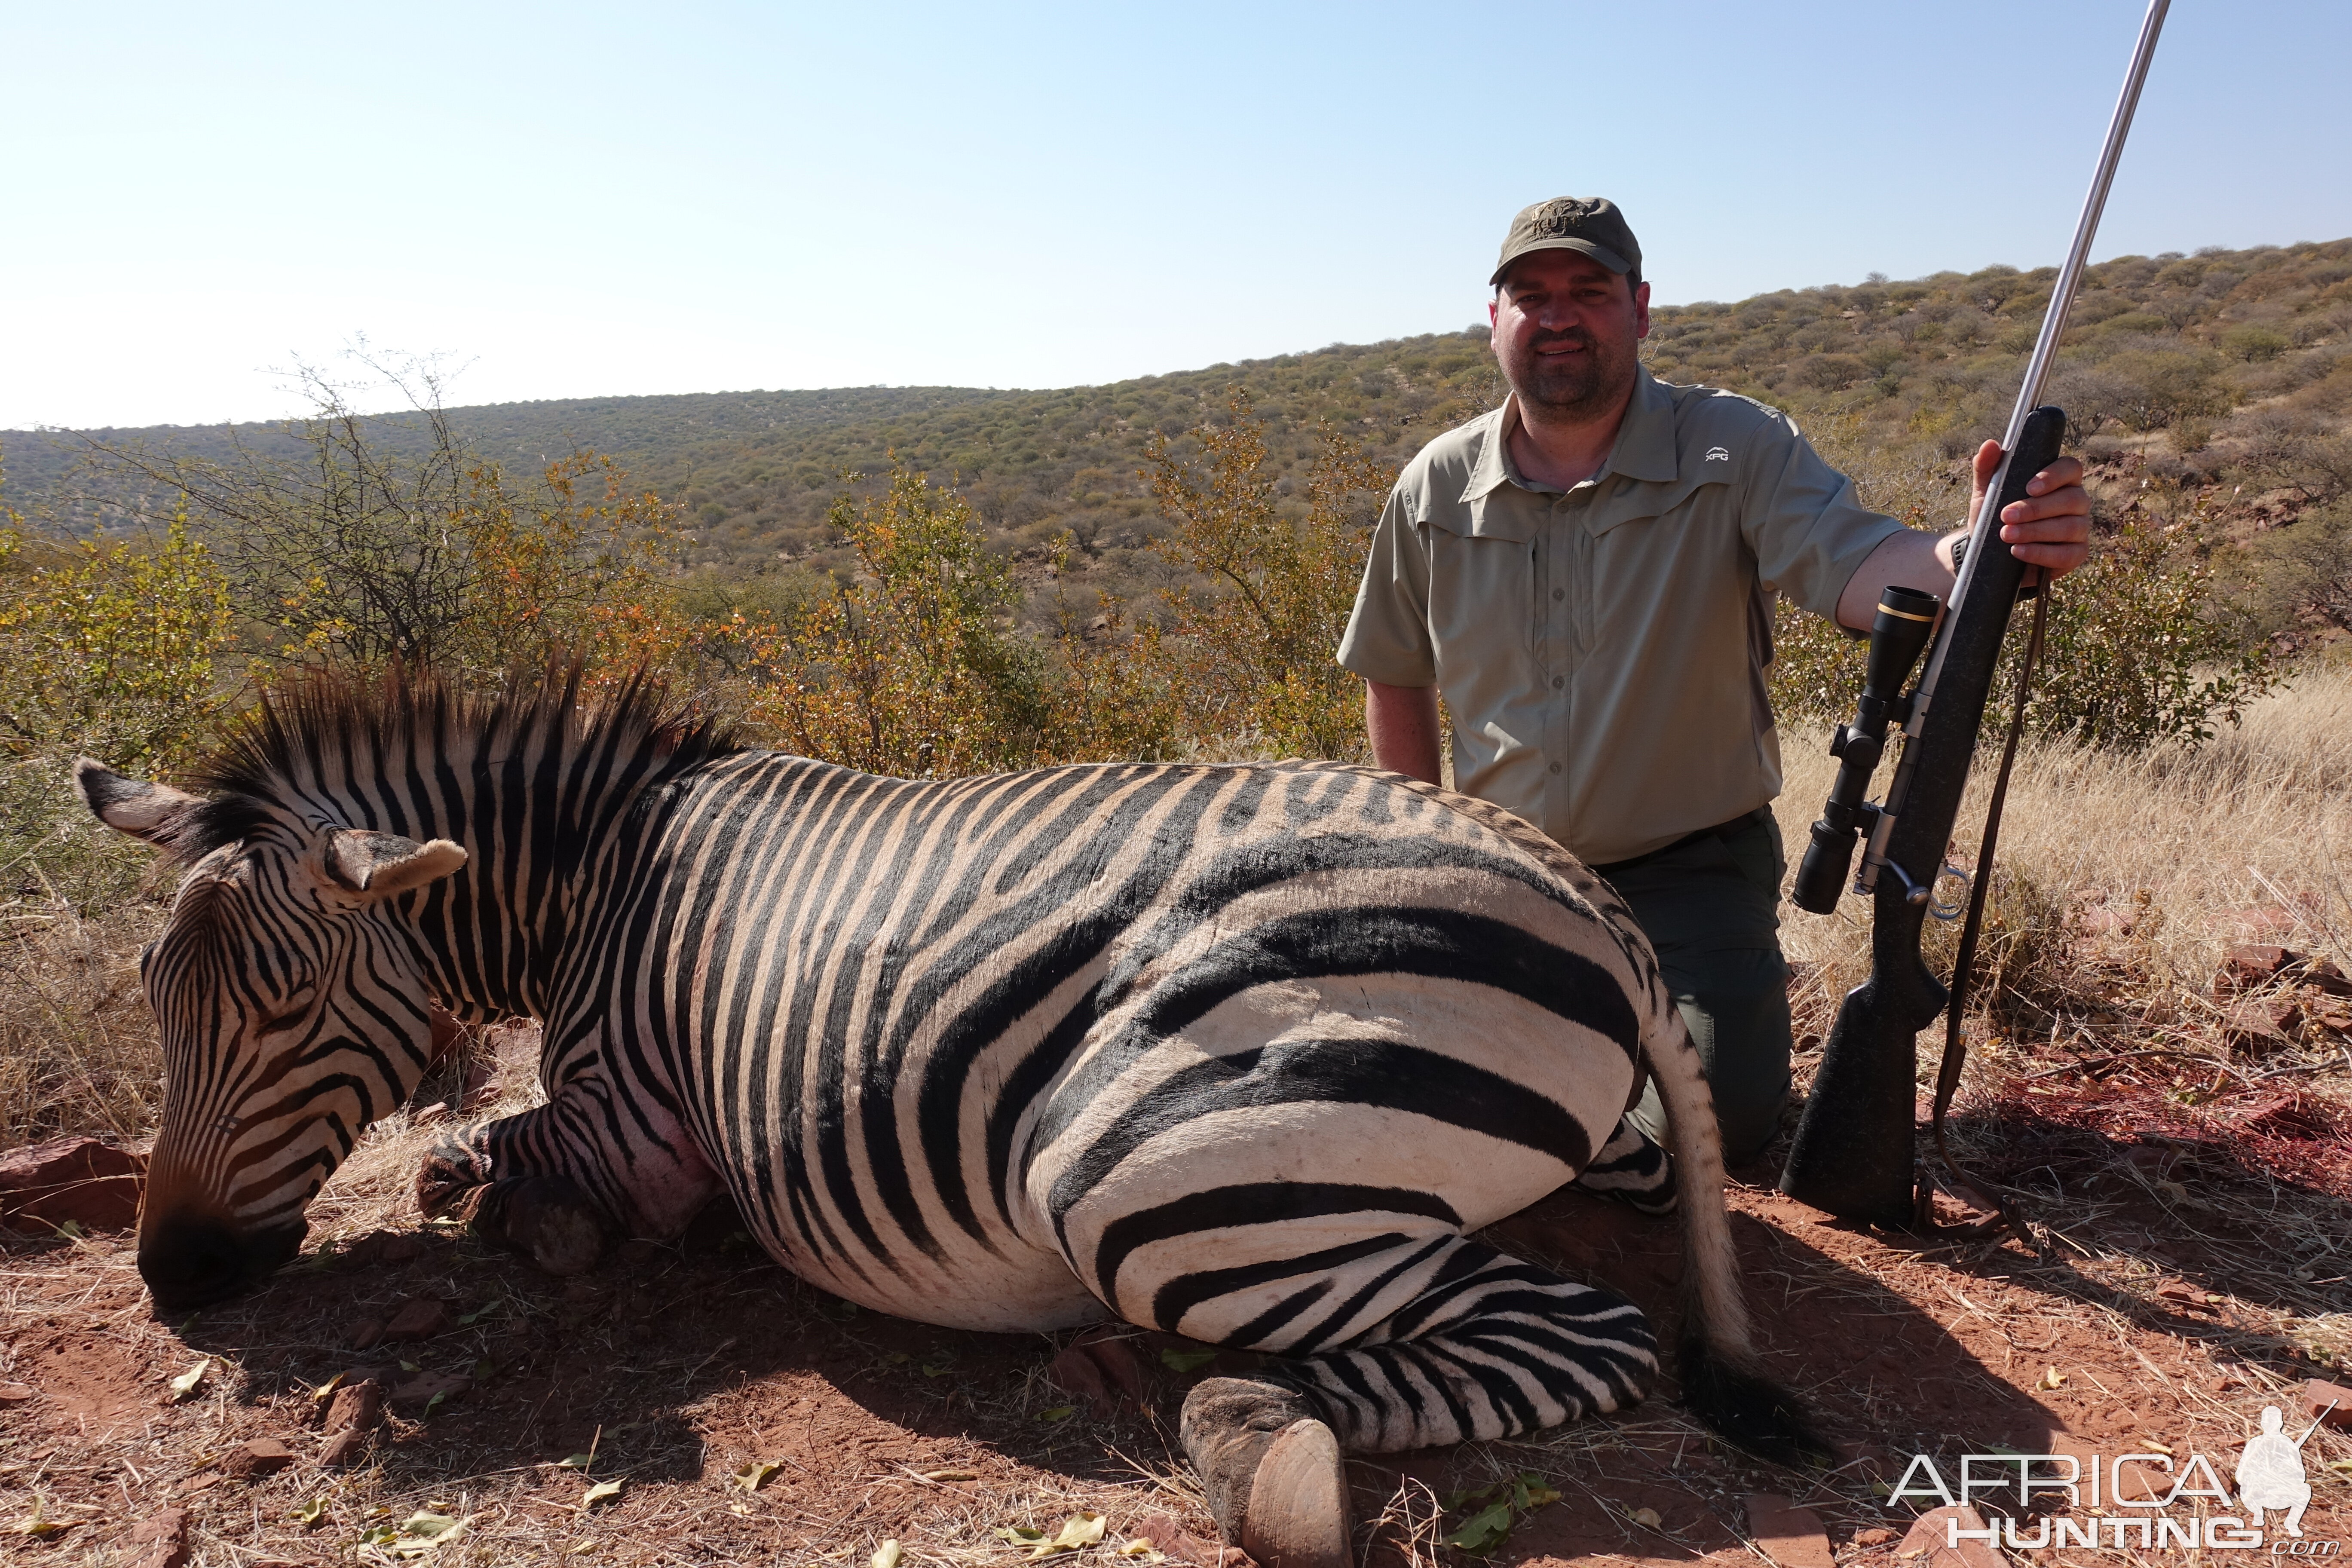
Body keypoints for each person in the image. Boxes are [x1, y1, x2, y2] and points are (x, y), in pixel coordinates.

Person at [1336, 197, 2092, 1162]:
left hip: (1688, 871)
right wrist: (1426, 853)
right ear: (1496, 322)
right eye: (1531, 296)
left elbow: (1865, 568)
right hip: (1505, 871)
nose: (1558, 316)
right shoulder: (1434, 485)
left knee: (1716, 1126)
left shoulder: (1734, 446)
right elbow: (1394, 675)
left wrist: (1983, 549)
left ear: (1641, 310)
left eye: (1590, 293)